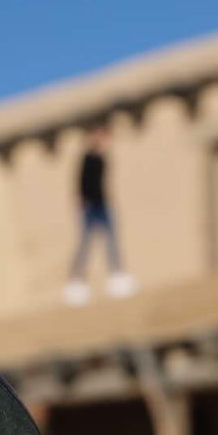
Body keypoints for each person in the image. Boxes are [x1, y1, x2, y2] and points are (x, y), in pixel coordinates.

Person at [65, 126, 135, 304]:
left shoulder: (103, 158)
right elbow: (81, 182)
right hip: (90, 207)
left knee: (112, 241)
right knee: (85, 244)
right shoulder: (87, 158)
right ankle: (76, 282)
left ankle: (117, 277)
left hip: (103, 204)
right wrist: (81, 202)